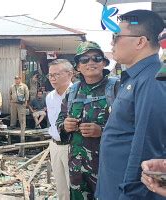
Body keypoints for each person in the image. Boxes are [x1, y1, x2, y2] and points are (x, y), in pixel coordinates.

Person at [96, 10, 166, 200]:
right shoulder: (133, 78)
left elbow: (148, 146)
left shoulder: (152, 79)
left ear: (140, 41)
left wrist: (131, 194)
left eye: (116, 36)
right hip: (113, 186)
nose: (112, 43)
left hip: (128, 192)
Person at [56, 41, 115, 200]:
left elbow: (131, 126)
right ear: (78, 66)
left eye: (96, 58)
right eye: (84, 60)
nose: (91, 63)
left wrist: (101, 131)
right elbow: (60, 120)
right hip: (77, 168)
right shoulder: (73, 91)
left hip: (107, 167)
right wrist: (65, 125)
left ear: (103, 63)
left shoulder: (116, 88)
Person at [46, 59, 74, 200]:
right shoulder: (50, 97)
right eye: (50, 75)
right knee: (61, 188)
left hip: (72, 146)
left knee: (75, 187)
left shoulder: (77, 95)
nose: (52, 78)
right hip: (54, 145)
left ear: (70, 74)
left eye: (56, 74)